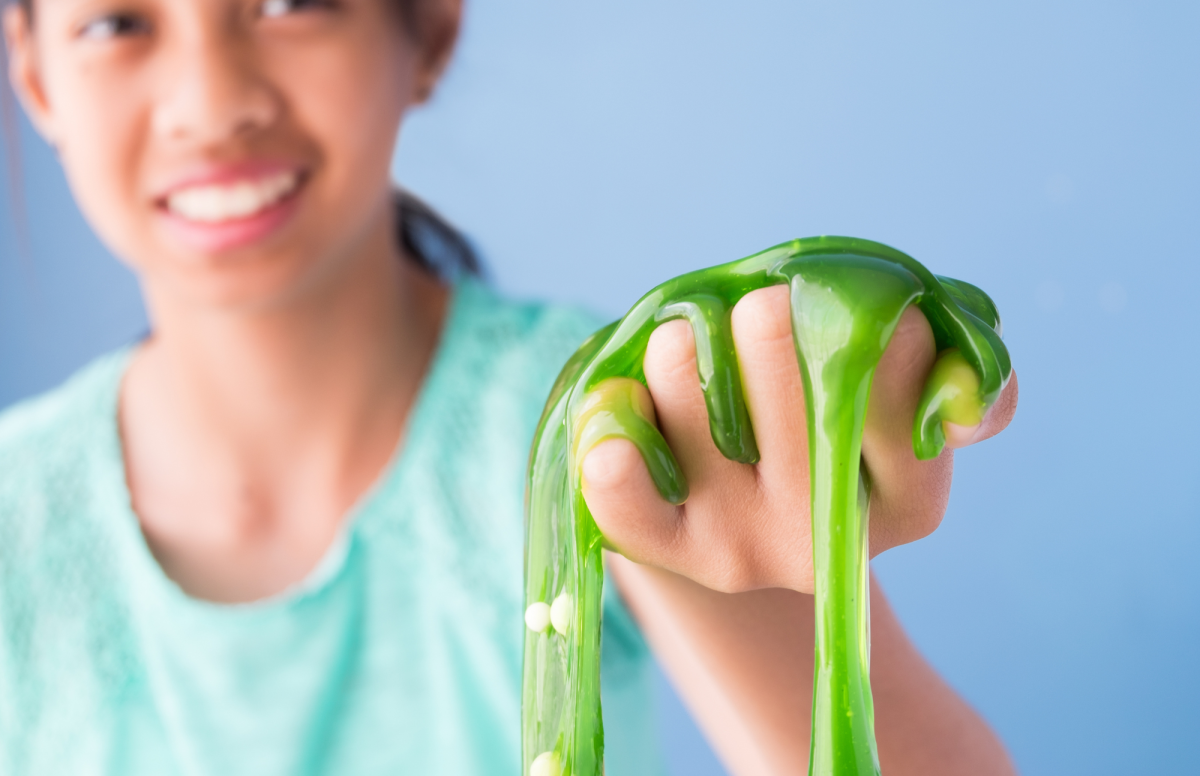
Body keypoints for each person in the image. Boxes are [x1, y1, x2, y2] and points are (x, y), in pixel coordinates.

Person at [0, 0, 1020, 774]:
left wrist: (766, 560)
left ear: (431, 30)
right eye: (115, 23)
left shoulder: (615, 411)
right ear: (34, 77)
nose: (213, 106)